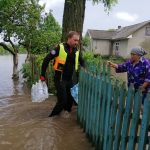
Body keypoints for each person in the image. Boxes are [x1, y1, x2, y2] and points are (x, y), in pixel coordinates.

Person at [40, 31, 85, 117]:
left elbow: (82, 61)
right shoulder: (59, 48)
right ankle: (50, 119)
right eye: (75, 40)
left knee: (70, 102)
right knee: (62, 101)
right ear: (69, 38)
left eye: (77, 40)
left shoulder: (76, 51)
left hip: (70, 80)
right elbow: (46, 59)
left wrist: (85, 68)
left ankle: (64, 119)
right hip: (60, 79)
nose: (76, 42)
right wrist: (42, 75)